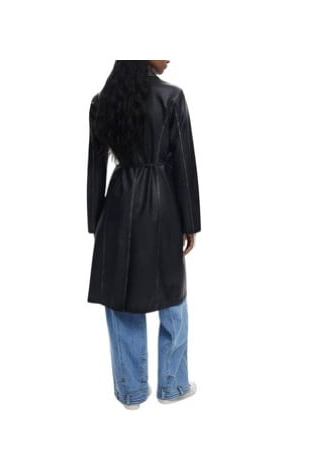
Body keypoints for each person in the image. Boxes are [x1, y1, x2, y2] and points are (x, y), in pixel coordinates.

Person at [86, 60, 201, 410]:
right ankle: (173, 385)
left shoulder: (103, 101)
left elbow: (95, 167)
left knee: (121, 297)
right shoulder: (172, 97)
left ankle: (131, 392)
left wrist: (96, 221)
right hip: (163, 205)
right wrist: (190, 222)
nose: (169, 57)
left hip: (117, 207)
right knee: (173, 295)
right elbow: (184, 163)